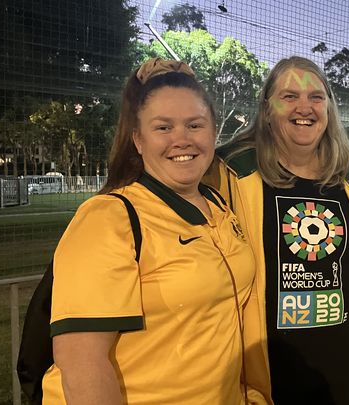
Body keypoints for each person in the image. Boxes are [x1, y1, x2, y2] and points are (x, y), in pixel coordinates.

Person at [42, 58, 256, 404]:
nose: (182, 139)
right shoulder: (109, 218)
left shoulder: (219, 204)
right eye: (163, 128)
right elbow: (82, 364)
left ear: (213, 132)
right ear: (138, 140)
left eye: (195, 125)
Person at [205, 56, 349, 404]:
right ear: (267, 110)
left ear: (329, 109)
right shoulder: (230, 171)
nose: (305, 107)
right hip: (267, 378)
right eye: (289, 96)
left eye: (317, 97)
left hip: (343, 372)